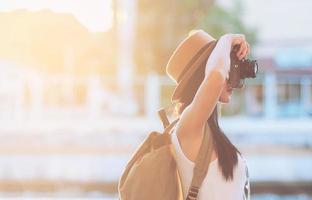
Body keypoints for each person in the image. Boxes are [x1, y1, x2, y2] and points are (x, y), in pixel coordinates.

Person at [166, 30, 250, 199]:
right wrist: (227, 39)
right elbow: (216, 76)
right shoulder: (188, 127)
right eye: (226, 64)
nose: (230, 73)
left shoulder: (208, 133)